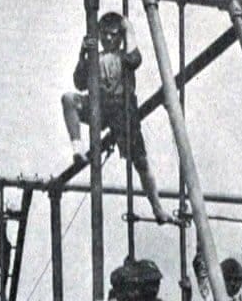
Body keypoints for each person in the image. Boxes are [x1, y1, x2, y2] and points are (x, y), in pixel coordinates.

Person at [61, 11, 173, 224]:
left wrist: (127, 28)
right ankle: (77, 149)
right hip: (100, 107)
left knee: (140, 161)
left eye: (113, 34)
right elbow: (79, 83)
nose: (108, 38)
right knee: (68, 99)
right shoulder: (97, 56)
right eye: (104, 34)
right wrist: (82, 55)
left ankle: (157, 207)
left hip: (122, 110)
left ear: (120, 36)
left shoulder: (125, 55)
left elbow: (135, 59)